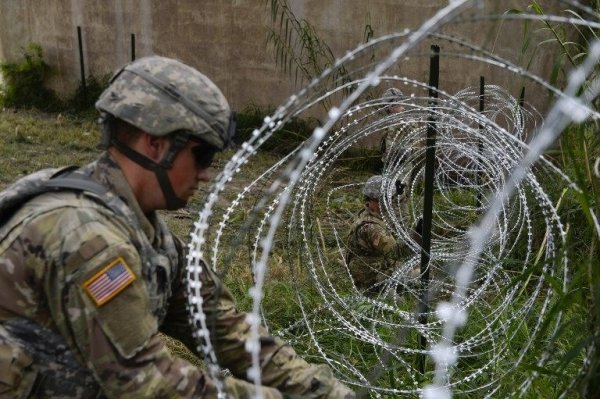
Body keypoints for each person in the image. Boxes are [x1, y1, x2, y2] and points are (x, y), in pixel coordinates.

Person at [0, 56, 354, 398]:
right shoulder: (87, 238)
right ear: (155, 143)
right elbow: (150, 386)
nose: (206, 173)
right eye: (201, 156)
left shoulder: (147, 235)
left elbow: (224, 327)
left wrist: (322, 392)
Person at [345, 175, 420, 294]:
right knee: (422, 275)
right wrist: (417, 236)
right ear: (377, 200)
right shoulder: (372, 228)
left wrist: (400, 196)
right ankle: (380, 294)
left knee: (417, 266)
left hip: (376, 266)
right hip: (372, 276)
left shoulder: (368, 213)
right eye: (387, 198)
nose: (390, 201)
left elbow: (399, 219)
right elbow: (397, 253)